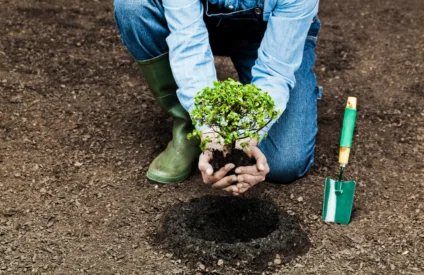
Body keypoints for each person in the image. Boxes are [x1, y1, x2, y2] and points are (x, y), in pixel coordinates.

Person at [114, 0, 321, 195]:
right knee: (133, 5)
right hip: (201, 22)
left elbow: (274, 71)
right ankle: (188, 126)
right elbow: (189, 45)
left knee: (284, 163)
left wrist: (249, 134)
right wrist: (209, 129)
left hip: (271, 33)